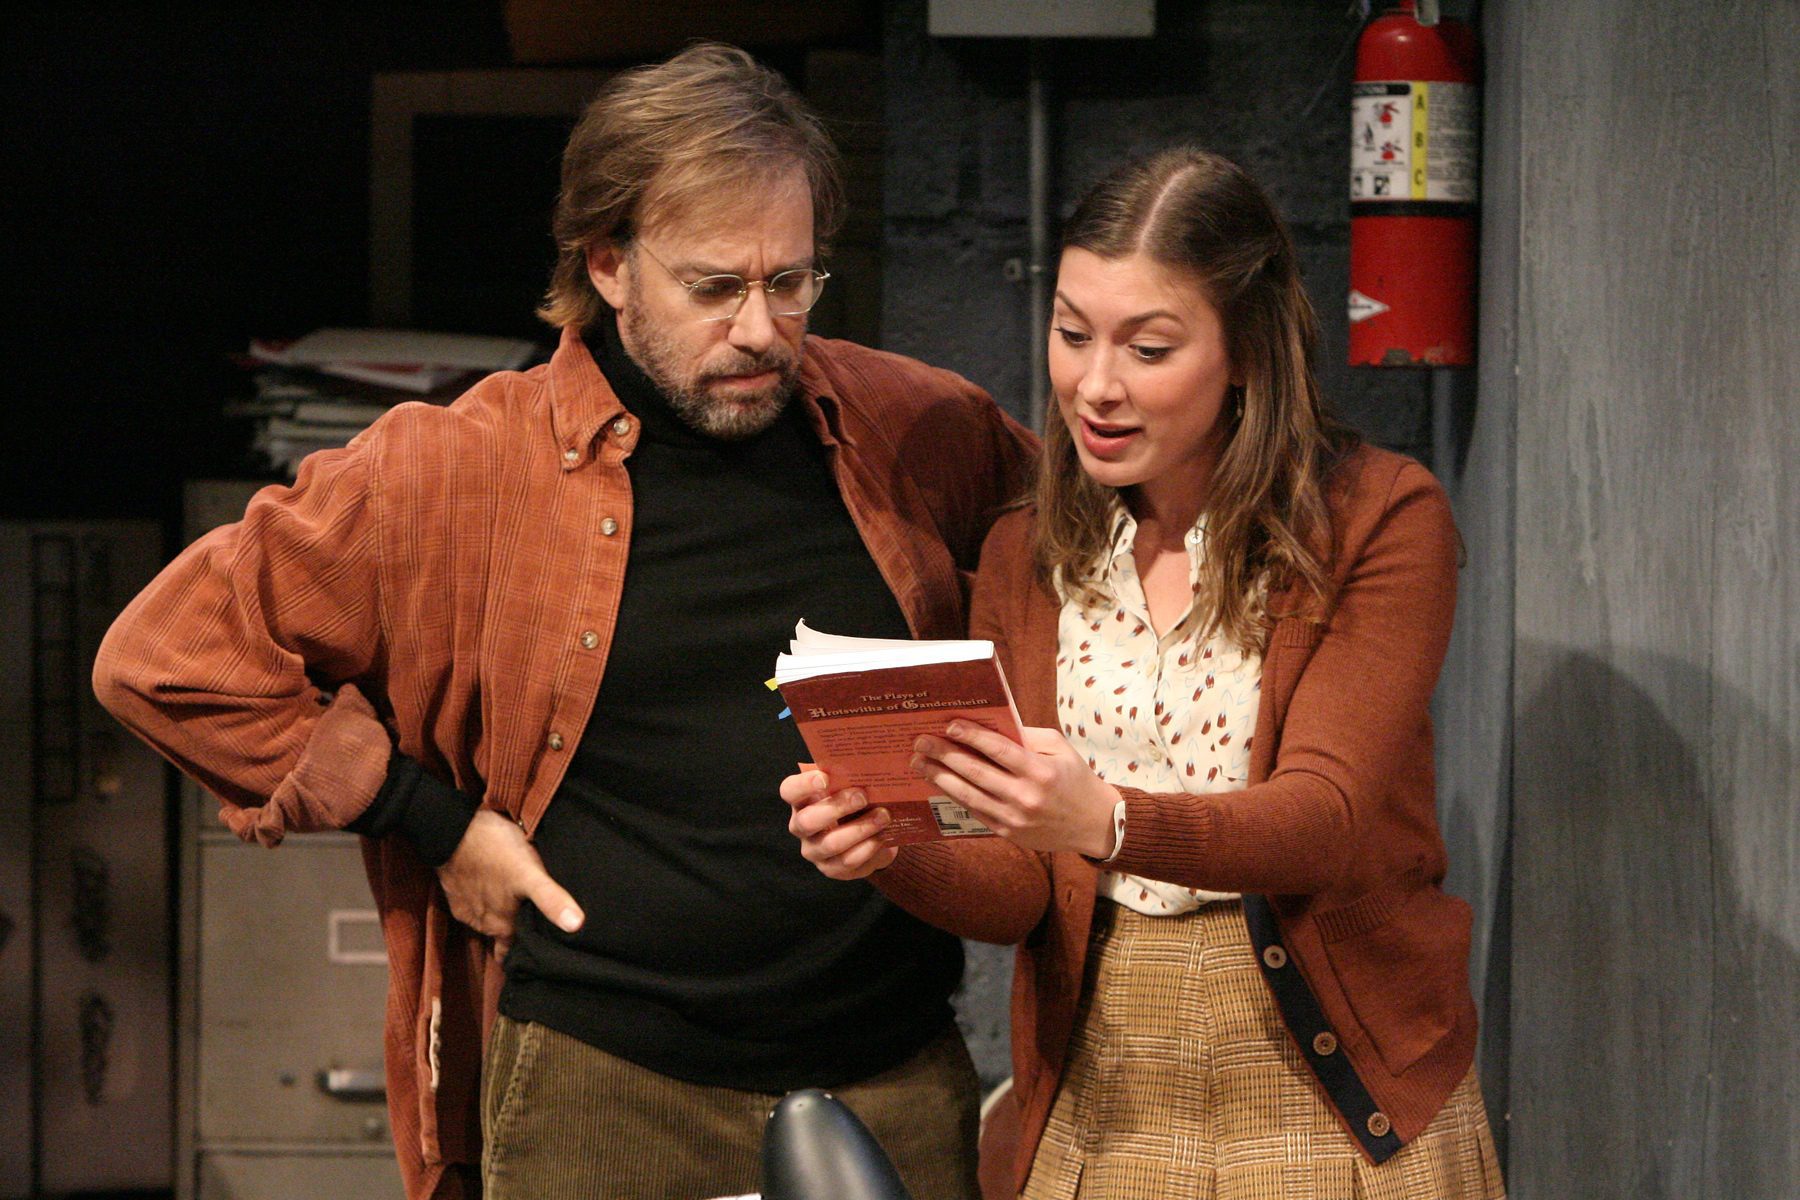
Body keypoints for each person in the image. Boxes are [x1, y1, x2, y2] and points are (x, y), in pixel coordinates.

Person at [94, 43, 1035, 1200]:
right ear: (609, 263)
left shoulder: (921, 428)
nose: (760, 329)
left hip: (890, 1075)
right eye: (714, 288)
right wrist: (433, 823)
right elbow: (163, 657)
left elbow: (1102, 571)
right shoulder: (464, 466)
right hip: (607, 1089)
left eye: (791, 283)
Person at [785, 146, 1505, 1199]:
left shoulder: (1377, 518)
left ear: (1247, 351)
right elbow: (1023, 888)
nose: (1097, 385)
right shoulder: (1030, 550)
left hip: (1332, 1088)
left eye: (1149, 347)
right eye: (1073, 333)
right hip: (1107, 1085)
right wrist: (888, 850)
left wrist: (1108, 820)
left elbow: (1325, 818)